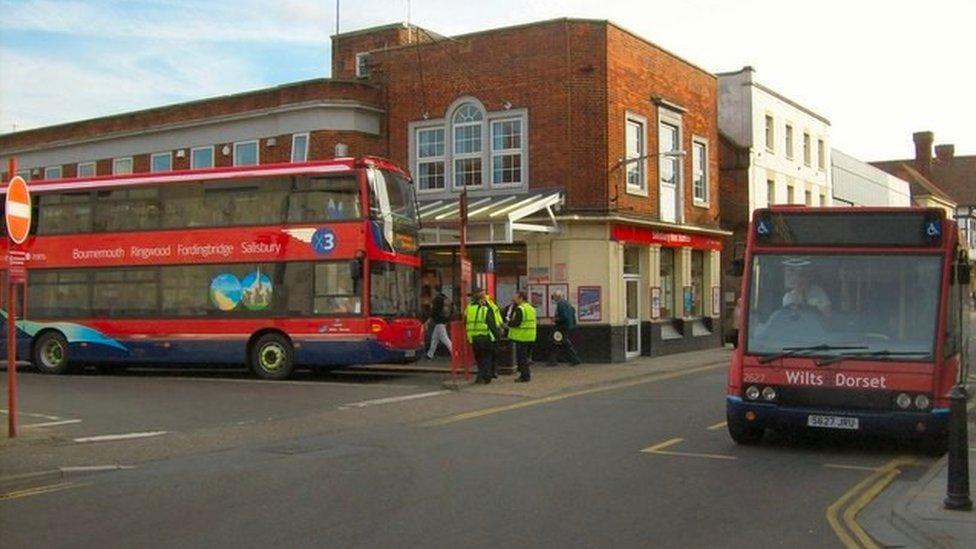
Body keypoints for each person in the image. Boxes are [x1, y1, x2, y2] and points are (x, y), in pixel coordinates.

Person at [465, 287, 500, 384]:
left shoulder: (469, 308)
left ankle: (479, 376)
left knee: (479, 358)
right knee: (487, 357)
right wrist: (497, 336)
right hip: (486, 336)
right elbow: (491, 324)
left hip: (474, 338)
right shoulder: (486, 309)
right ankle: (487, 377)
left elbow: (465, 322)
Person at [507, 291, 537, 382]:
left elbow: (516, 323)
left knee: (522, 358)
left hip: (521, 337)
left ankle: (524, 376)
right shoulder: (531, 308)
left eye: (516, 297)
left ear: (521, 298)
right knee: (526, 358)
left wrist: (508, 323)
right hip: (530, 336)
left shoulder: (520, 309)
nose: (514, 299)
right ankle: (526, 374)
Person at [547, 291, 581, 367]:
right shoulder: (566, 303)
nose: (553, 298)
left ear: (557, 297)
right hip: (567, 326)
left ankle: (575, 360)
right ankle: (553, 361)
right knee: (558, 342)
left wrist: (555, 319)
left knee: (558, 342)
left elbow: (564, 317)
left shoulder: (560, 304)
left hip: (562, 327)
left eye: (554, 296)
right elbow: (573, 311)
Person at [426, 289, 452, 360]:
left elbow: (434, 311)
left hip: (439, 322)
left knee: (445, 340)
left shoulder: (437, 300)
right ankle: (430, 355)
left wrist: (430, 319)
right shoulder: (444, 298)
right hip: (442, 322)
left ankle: (454, 353)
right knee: (434, 339)